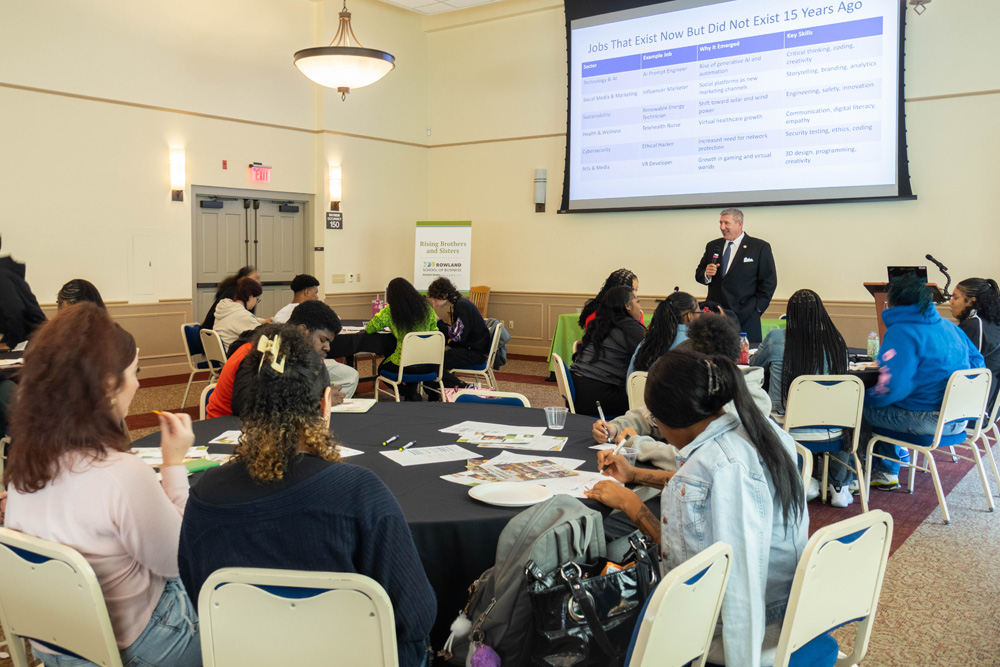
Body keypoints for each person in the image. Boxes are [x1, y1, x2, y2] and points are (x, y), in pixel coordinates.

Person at [178, 326, 436, 667]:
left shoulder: (205, 493)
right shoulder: (360, 493)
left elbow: (196, 595)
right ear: (323, 403)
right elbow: (416, 616)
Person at [3, 303, 200, 666]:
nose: (139, 383)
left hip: (57, 647)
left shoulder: (21, 469)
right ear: (109, 385)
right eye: (134, 372)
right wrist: (174, 464)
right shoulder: (122, 475)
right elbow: (177, 560)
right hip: (140, 649)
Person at [586, 349, 807, 667]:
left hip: (741, 632)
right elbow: (699, 489)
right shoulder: (753, 430)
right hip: (785, 608)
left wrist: (631, 504)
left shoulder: (723, 466)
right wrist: (634, 475)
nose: (659, 432)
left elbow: (734, 581)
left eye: (657, 424)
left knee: (604, 624)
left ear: (671, 419)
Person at [595, 313, 771, 472]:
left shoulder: (739, 406)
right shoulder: (701, 386)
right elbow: (650, 415)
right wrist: (616, 427)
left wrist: (638, 444)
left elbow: (692, 458)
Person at [865, 274, 985, 490]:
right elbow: (978, 363)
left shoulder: (901, 331)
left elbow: (894, 387)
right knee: (887, 404)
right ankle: (889, 462)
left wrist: (867, 397)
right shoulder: (951, 328)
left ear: (892, 302)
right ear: (927, 301)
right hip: (958, 419)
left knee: (858, 408)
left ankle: (860, 475)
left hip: (926, 421)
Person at [750, 289, 852, 506]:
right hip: (831, 428)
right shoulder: (836, 341)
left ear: (790, 314)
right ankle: (839, 486)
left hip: (786, 425)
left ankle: (799, 479)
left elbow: (755, 366)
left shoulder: (776, 338)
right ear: (821, 313)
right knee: (849, 420)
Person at [695, 208, 776, 343]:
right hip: (716, 316)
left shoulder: (759, 247)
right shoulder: (713, 246)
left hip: (746, 317)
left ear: (739, 224)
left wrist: (756, 310)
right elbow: (699, 273)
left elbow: (769, 281)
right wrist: (706, 274)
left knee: (745, 358)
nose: (722, 227)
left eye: (726, 223)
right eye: (720, 223)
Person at [570, 285, 645, 417]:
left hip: (577, 390)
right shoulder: (630, 327)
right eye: (637, 302)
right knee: (646, 395)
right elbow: (652, 355)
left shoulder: (600, 323)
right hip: (598, 397)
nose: (640, 307)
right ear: (628, 305)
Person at [365, 277, 438, 401]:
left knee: (382, 368)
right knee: (412, 361)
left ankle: (405, 392)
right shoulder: (426, 309)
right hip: (428, 363)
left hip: (404, 364)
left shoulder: (390, 311)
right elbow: (435, 332)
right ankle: (411, 393)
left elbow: (370, 328)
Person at [426, 276, 490, 388]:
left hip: (474, 353)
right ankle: (440, 391)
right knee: (438, 357)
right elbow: (458, 334)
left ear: (445, 295)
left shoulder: (462, 306)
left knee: (433, 362)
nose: (434, 303)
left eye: (435, 299)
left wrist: (438, 321)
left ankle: (463, 386)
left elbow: (458, 336)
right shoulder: (460, 304)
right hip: (473, 349)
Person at [950, 277, 1000, 411]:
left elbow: (961, 368)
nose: (951, 301)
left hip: (972, 408)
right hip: (991, 404)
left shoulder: (973, 326)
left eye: (955, 297)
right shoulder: (992, 322)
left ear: (972, 301)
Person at [627, 291, 699, 377]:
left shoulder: (646, 343)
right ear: (689, 316)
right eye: (699, 313)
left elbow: (632, 378)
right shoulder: (695, 345)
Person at [0, 238, 46, 347]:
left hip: (35, 342)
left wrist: (11, 344)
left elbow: (14, 310)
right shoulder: (6, 273)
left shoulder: (1, 275)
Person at [213, 276, 271, 350]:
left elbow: (244, 321)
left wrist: (263, 321)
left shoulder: (227, 308)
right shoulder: (242, 315)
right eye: (257, 299)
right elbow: (261, 334)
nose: (256, 302)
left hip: (223, 354)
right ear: (250, 297)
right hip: (234, 357)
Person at [201, 265, 259, 330]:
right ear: (243, 280)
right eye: (255, 278)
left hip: (207, 333)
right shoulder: (237, 296)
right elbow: (248, 322)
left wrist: (262, 321)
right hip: (212, 333)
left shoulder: (227, 297)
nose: (258, 282)